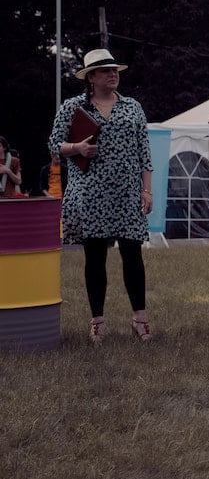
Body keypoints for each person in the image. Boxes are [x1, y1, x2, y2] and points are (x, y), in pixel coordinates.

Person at [48, 49, 154, 345]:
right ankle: (97, 322)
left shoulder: (133, 107)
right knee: (95, 257)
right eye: (105, 70)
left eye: (115, 70)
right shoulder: (73, 107)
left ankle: (140, 320)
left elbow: (144, 152)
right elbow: (54, 145)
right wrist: (77, 148)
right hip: (90, 193)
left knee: (132, 253)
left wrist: (147, 189)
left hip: (127, 193)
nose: (113, 74)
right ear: (91, 77)